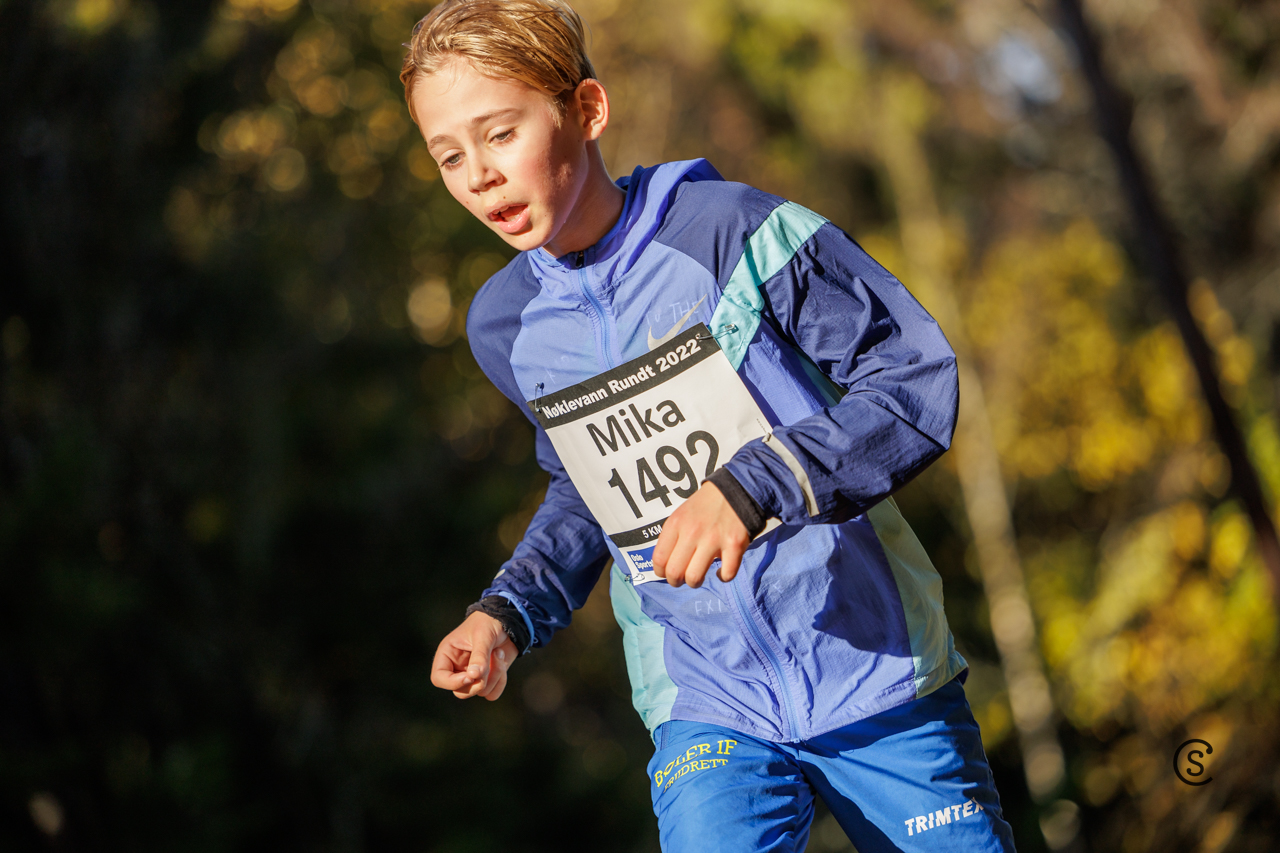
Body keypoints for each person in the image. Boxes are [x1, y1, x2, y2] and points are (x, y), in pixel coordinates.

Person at [400, 2, 1018, 850]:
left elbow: (914, 378)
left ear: (587, 110)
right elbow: (586, 489)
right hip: (706, 704)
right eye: (448, 155)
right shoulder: (506, 326)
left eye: (500, 134)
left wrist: (754, 485)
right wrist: (508, 610)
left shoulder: (737, 232)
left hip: (875, 675)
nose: (478, 175)